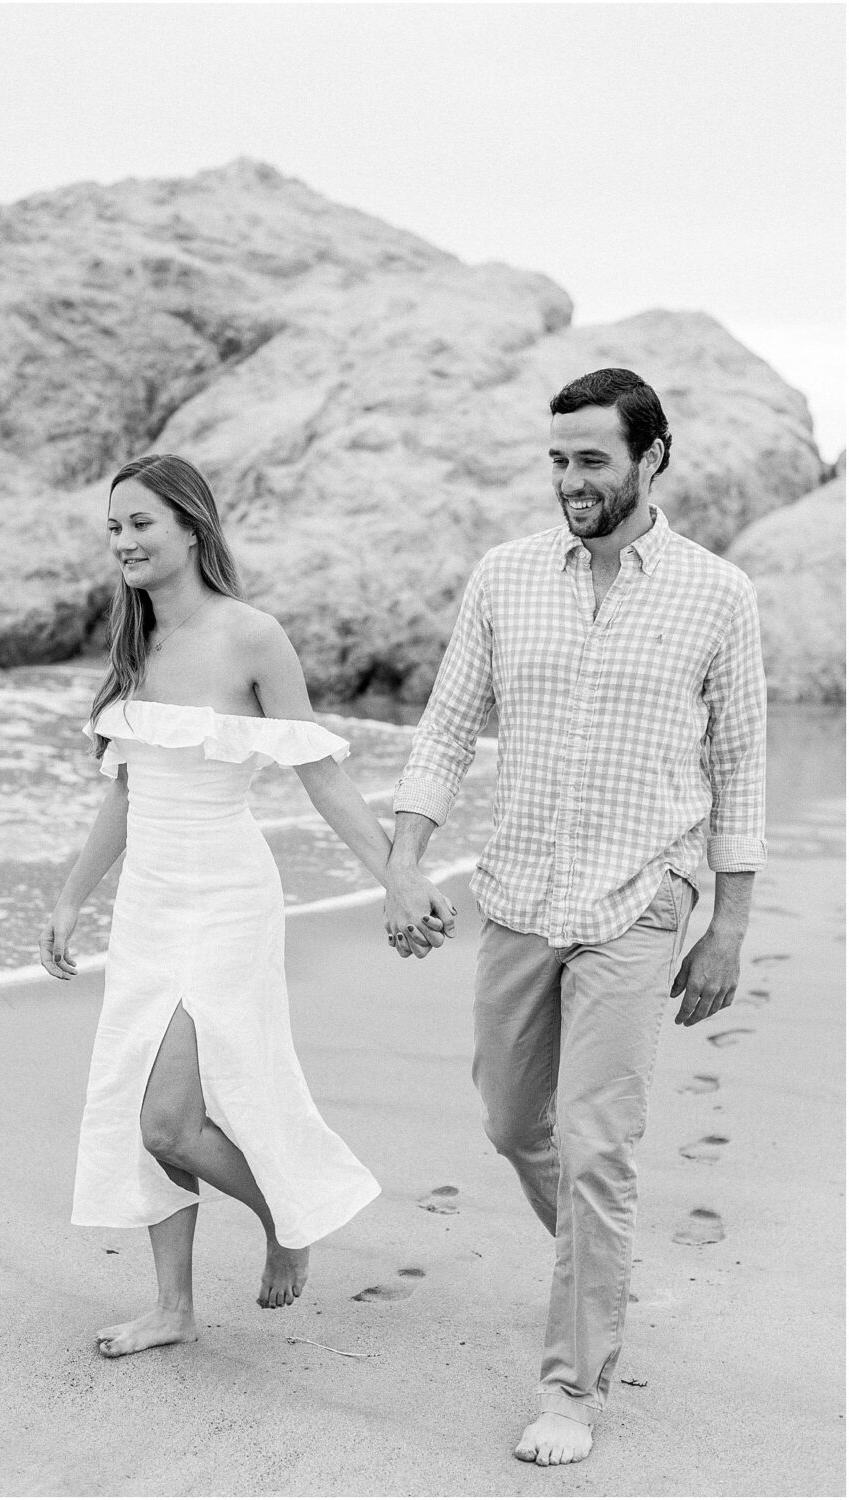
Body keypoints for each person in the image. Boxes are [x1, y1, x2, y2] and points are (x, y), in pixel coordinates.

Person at [383, 369, 766, 1465]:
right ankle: (598, 1270)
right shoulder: (505, 577)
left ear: (653, 457)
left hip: (643, 900)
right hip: (518, 893)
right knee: (513, 1123)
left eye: (592, 459)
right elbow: (448, 728)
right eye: (558, 460)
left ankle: (573, 1382)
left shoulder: (717, 595)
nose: (571, 481)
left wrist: (727, 928)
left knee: (599, 1145)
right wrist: (407, 858)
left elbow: (740, 769)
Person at [40, 453, 454, 1358]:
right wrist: (71, 901)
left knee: (168, 1120)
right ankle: (173, 1307)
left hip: (226, 898)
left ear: (192, 526)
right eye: (114, 528)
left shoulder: (253, 636)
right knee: (134, 1109)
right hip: (148, 905)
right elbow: (123, 795)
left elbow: (321, 772)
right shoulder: (131, 647)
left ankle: (285, 1216)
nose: (124, 542)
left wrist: (399, 875)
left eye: (141, 523)